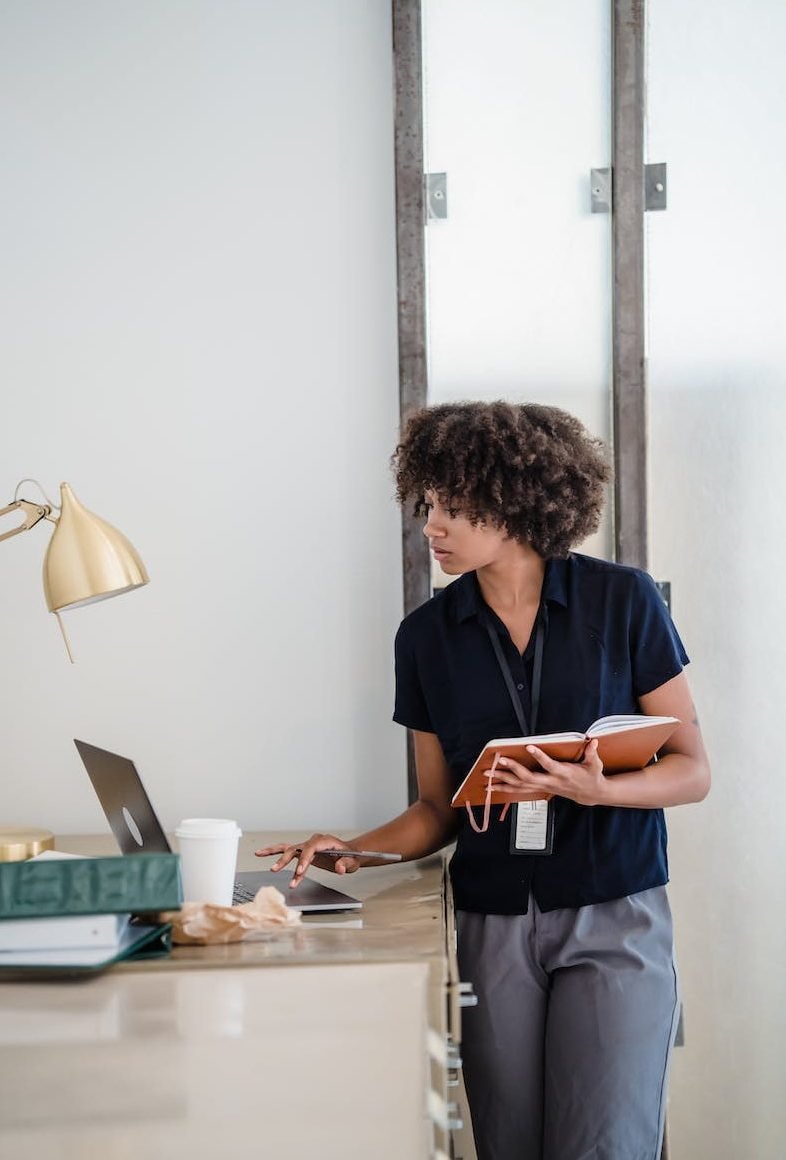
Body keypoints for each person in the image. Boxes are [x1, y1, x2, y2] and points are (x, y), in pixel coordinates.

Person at [257, 400, 710, 1160]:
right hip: (491, 925)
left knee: (603, 1146)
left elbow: (691, 770)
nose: (431, 525)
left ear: (515, 501)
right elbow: (437, 807)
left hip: (613, 913)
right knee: (508, 1145)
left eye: (453, 507)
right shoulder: (425, 638)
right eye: (427, 504)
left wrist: (597, 791)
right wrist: (357, 851)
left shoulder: (622, 601)